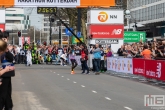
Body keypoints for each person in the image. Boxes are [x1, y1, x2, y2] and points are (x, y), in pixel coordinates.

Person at [0, 31, 15, 110]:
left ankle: (9, 107)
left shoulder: (6, 48)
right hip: (3, 73)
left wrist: (6, 49)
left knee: (8, 93)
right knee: (3, 94)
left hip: (7, 73)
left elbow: (11, 58)